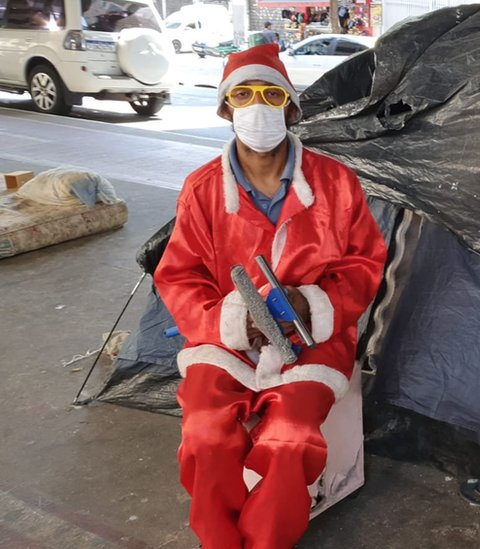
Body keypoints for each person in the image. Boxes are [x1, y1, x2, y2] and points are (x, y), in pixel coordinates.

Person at [154, 43, 387, 549]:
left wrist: (310, 305)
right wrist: (232, 321)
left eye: (270, 94)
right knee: (205, 436)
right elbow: (179, 276)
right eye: (243, 94)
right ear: (225, 108)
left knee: (290, 438)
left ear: (290, 107)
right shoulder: (202, 189)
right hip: (224, 340)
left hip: (312, 341)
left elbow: (365, 263)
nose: (257, 106)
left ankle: (266, 542)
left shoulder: (337, 183)